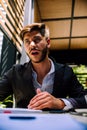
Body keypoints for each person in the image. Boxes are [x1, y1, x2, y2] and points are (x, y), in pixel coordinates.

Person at [0, 23, 87, 110]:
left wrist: (60, 103)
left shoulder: (66, 72)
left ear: (48, 43)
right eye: (27, 41)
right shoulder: (15, 72)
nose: (32, 45)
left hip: (56, 123)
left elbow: (83, 100)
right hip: (25, 123)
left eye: (37, 40)